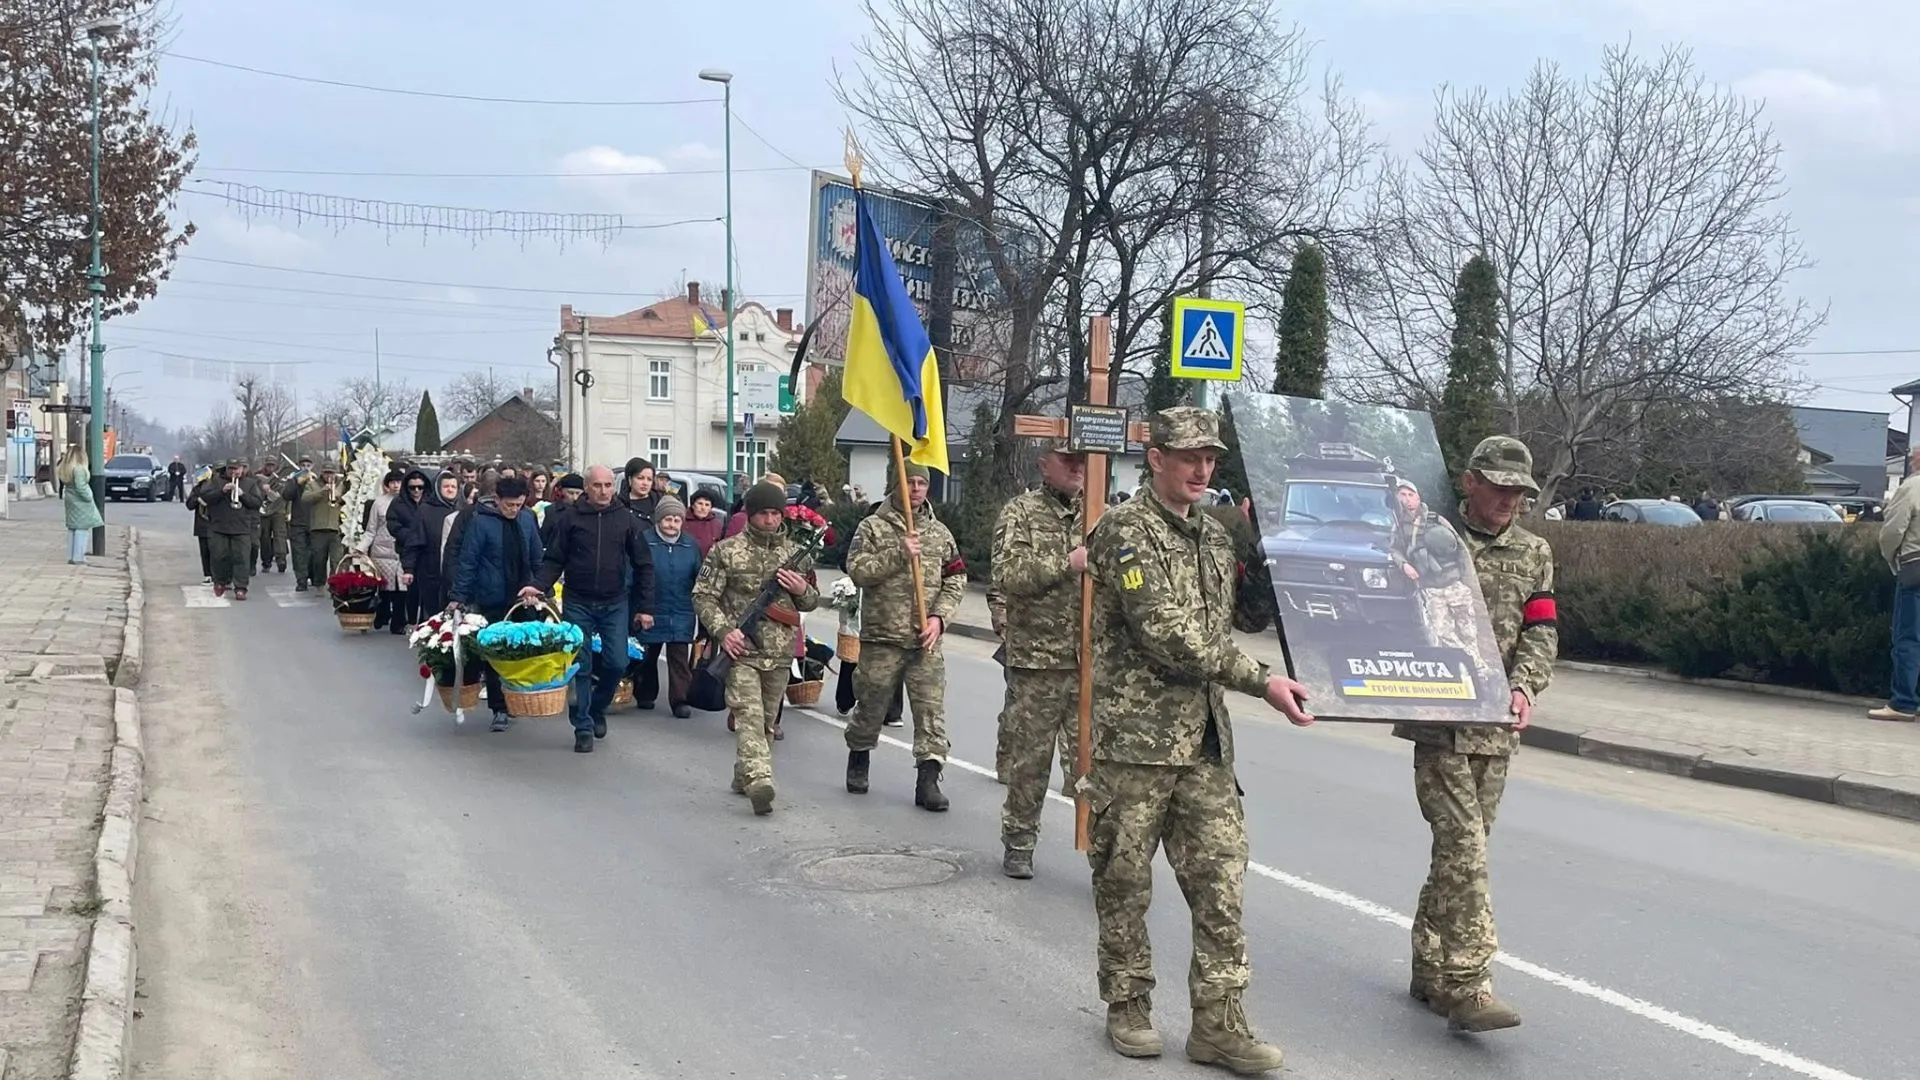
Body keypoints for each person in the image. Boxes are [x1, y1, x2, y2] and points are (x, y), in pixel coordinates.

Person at [1083, 406, 1314, 1071]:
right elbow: (1167, 636)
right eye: (1189, 457)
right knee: (1124, 879)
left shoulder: (1213, 537)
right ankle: (1127, 1003)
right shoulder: (1124, 532)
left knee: (1222, 881)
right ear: (1156, 458)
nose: (1201, 469)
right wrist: (1262, 681)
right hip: (1137, 742)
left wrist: (1271, 555)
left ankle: (1219, 1022)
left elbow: (1241, 615)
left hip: (1204, 744)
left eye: (1210, 458)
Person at [1397, 435, 1557, 1033]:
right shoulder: (1425, 535)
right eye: (1499, 487)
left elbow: (1541, 628)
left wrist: (1526, 686)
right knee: (1463, 844)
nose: (1508, 500)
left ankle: (1428, 968)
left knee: (1462, 851)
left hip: (1495, 723)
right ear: (1470, 482)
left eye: (1519, 492)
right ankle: (1469, 983)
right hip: (1436, 716)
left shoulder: (1535, 552)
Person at [843, 462, 966, 811]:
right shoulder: (873, 527)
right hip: (883, 637)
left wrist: (940, 618)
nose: (916, 489)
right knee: (871, 704)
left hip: (925, 640)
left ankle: (928, 779)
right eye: (909, 482)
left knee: (931, 712)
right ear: (895, 485)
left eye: (921, 483)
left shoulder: (940, 533)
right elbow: (857, 571)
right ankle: (859, 755)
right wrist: (899, 553)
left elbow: (956, 577)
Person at [691, 481, 819, 815]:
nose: (770, 520)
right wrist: (724, 631)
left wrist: (801, 587)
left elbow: (811, 601)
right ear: (751, 514)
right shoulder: (726, 551)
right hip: (741, 650)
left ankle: (742, 774)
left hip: (779, 653)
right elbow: (703, 596)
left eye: (776, 514)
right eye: (763, 513)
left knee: (765, 722)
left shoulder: (794, 555)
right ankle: (761, 780)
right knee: (748, 715)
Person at [991, 438, 1088, 879]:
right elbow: (1009, 574)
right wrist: (1068, 562)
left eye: (1084, 459)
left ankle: (1104, 855)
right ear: (1044, 463)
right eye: (1067, 459)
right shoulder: (1022, 512)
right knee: (1030, 763)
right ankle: (1019, 841)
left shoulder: (1103, 513)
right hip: (1037, 662)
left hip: (1092, 662)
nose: (1077, 467)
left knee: (1094, 767)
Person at [525, 466, 655, 751]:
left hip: (615, 602)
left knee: (617, 662)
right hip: (578, 601)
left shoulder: (625, 519)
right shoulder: (570, 518)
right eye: (597, 485)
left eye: (608, 485)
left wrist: (645, 607)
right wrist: (538, 585)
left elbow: (644, 564)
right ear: (586, 487)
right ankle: (583, 725)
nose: (604, 491)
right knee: (580, 665)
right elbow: (554, 559)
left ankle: (597, 707)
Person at [454, 476, 545, 734]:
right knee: (495, 653)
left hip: (523, 596)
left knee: (521, 650)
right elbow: (468, 561)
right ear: (497, 501)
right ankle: (499, 708)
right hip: (492, 596)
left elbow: (537, 556)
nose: (514, 510)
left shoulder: (527, 520)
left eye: (518, 505)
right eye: (509, 505)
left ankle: (517, 699)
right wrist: (458, 596)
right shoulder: (481, 523)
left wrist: (540, 587)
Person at [635, 496, 700, 717]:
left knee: (679, 657)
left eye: (676, 520)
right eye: (667, 520)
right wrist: (639, 607)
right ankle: (645, 693)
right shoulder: (644, 540)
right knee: (648, 655)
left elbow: (698, 577)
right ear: (658, 520)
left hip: (681, 608)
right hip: (651, 606)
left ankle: (680, 699)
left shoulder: (690, 544)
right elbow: (633, 574)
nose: (672, 525)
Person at [1872, 446, 1920, 722]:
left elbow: (1892, 530)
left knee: (1908, 638)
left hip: (1916, 566)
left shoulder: (1912, 486)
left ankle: (1903, 702)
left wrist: (1893, 559)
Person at [199, 459, 263, 600]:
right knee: (219, 556)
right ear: (227, 469)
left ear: (242, 469)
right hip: (219, 526)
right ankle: (220, 581)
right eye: (231, 469)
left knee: (241, 558)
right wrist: (222, 491)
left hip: (242, 527)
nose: (233, 472)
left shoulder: (250, 483)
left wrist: (243, 495)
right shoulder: (216, 481)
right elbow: (204, 497)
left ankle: (240, 587)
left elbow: (257, 503)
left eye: (236, 469)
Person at [403, 470, 464, 615]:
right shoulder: (425, 510)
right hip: (430, 570)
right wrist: (408, 568)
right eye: (446, 486)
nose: (450, 490)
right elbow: (414, 541)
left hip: (455, 570)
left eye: (453, 487)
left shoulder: (463, 510)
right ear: (438, 488)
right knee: (433, 611)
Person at [362, 469, 411, 635]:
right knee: (385, 589)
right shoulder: (379, 503)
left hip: (402, 551)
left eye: (399, 482)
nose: (396, 485)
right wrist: (360, 549)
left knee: (402, 589)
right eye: (392, 482)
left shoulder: (409, 503)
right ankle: (382, 615)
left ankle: (398, 623)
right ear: (387, 485)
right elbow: (371, 529)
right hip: (381, 552)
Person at [301, 466, 346, 589]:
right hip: (318, 528)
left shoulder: (342, 485)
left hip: (336, 528)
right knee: (318, 560)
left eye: (331, 473)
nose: (329, 476)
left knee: (336, 559)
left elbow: (348, 501)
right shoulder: (312, 484)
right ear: (322, 473)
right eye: (326, 473)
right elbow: (305, 498)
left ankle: (334, 585)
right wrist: (322, 492)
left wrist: (338, 495)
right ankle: (320, 583)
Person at [57, 446, 102, 564]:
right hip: (81, 501)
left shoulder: (65, 468)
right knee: (82, 528)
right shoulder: (80, 469)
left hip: (70, 499)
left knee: (73, 527)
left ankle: (72, 556)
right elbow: (81, 486)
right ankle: (78, 557)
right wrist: (89, 496)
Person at [284, 456, 317, 590]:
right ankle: (301, 580)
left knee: (314, 552)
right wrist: (296, 483)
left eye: (308, 465)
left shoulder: (316, 479)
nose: (305, 467)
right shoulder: (293, 479)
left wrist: (313, 482)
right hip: (298, 522)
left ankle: (314, 576)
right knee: (299, 553)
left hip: (314, 522)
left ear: (312, 466)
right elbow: (286, 495)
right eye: (303, 465)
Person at [255, 460, 289, 575]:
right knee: (264, 537)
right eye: (268, 465)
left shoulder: (281, 479)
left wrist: (271, 491)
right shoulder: (258, 478)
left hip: (278, 510)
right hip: (264, 511)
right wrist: (263, 489)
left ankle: (281, 560)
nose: (270, 468)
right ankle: (266, 562)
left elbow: (283, 495)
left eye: (273, 465)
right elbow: (255, 493)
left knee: (280, 535)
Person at [185, 465, 213, 583]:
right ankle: (208, 574)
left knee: (218, 551)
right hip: (202, 524)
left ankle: (220, 575)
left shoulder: (218, 487)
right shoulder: (198, 489)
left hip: (217, 524)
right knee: (205, 551)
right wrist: (197, 499)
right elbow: (189, 505)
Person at [683, 486, 726, 556]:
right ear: (693, 505)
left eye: (707, 505)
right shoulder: (682, 521)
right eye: (700, 503)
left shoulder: (717, 524)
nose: (703, 508)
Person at [620, 456, 660, 528]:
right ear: (630, 479)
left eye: (649, 479)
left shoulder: (660, 502)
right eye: (640, 478)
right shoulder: (619, 505)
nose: (645, 483)